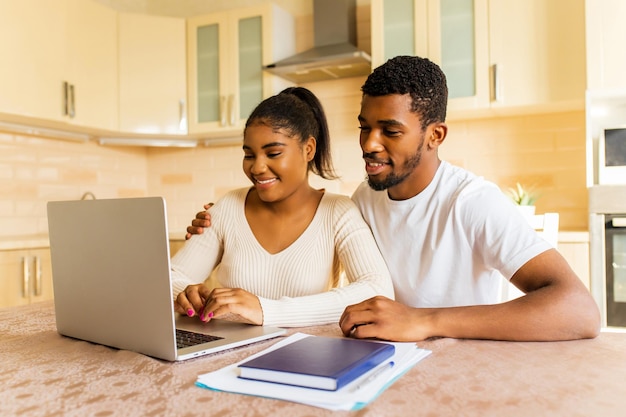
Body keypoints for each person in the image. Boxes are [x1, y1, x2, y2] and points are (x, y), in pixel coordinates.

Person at [187, 56, 600, 342]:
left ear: (435, 136)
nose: (369, 144)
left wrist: (424, 321)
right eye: (364, 127)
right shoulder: (364, 199)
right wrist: (220, 222)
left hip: (461, 367)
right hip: (385, 358)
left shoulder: (472, 202)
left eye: (390, 131)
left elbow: (579, 311)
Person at [171, 86, 394, 328]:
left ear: (308, 149)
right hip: (228, 354)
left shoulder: (338, 212)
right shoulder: (227, 207)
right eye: (249, 155)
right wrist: (184, 293)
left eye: (273, 153)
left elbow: (376, 290)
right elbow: (170, 277)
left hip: (305, 357)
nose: (257, 168)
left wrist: (266, 310)